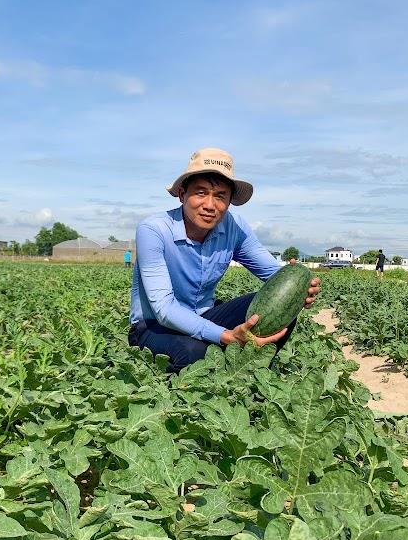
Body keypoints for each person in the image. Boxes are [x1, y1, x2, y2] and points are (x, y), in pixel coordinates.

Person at [128, 148, 321, 372]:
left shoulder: (234, 227)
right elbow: (164, 309)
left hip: (205, 316)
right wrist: (225, 336)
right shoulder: (153, 230)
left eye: (220, 196)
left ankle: (248, 372)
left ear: (229, 201)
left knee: (281, 312)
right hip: (154, 326)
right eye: (201, 193)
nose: (210, 205)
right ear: (182, 194)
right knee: (194, 354)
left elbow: (275, 275)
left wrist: (302, 288)